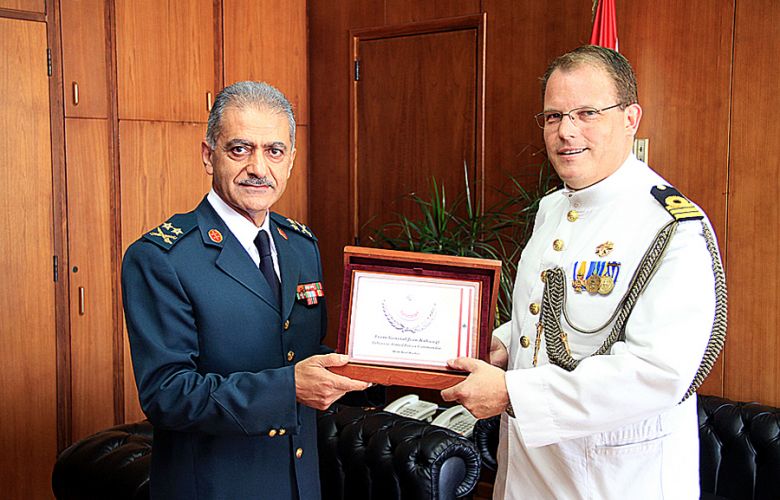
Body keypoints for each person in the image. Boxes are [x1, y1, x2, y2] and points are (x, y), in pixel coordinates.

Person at [441, 45, 725, 499]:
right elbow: (557, 312)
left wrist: (513, 394)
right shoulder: (553, 208)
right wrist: (505, 343)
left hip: (616, 480)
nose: (566, 131)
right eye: (553, 116)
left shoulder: (671, 226)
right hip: (530, 473)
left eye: (587, 113)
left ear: (630, 118)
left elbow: (659, 371)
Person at [121, 81, 370, 499]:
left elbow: (305, 352)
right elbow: (168, 394)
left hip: (299, 483)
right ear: (208, 155)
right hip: (214, 487)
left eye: (274, 151)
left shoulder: (300, 245)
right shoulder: (163, 257)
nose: (259, 168)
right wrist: (288, 388)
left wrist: (387, 367)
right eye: (240, 149)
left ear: (291, 160)